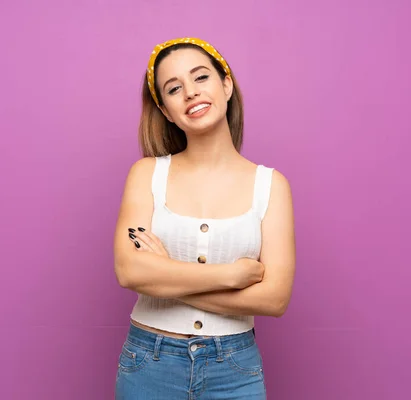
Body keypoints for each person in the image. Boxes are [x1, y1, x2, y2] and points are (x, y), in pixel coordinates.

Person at [113, 37, 296, 399]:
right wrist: (231, 276)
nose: (191, 94)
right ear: (165, 110)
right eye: (174, 88)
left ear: (226, 84)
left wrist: (167, 274)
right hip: (150, 363)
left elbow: (274, 299)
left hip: (235, 368)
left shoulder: (270, 185)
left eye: (200, 78)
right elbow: (130, 272)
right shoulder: (146, 175)